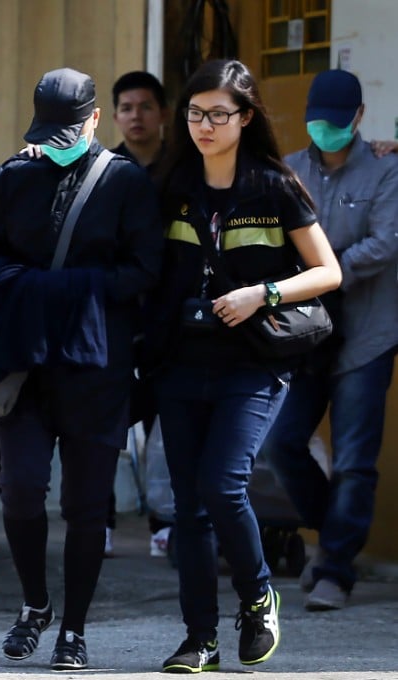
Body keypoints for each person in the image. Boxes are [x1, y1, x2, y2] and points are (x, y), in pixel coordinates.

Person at [143, 59, 341, 673]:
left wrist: (267, 293)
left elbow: (328, 271)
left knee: (222, 485)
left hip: (252, 365)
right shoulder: (171, 182)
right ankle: (199, 639)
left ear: (245, 118)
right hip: (180, 363)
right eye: (196, 113)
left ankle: (258, 593)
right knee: (187, 506)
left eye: (219, 114)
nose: (204, 125)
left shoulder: (274, 186)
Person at [0, 68, 163, 670]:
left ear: (94, 121)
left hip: (98, 367)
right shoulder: (13, 177)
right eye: (48, 131)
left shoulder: (125, 184)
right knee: (22, 490)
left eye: (69, 130)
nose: (58, 140)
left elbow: (145, 271)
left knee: (86, 507)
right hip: (24, 365)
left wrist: (71, 290)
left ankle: (74, 629)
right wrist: (32, 290)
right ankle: (35, 605)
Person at [259, 69, 398, 612]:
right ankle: (334, 529)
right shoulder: (288, 171)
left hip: (367, 333)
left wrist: (322, 269)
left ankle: (334, 569)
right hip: (306, 335)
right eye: (318, 123)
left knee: (356, 459)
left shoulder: (386, 171)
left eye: (337, 124)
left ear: (359, 118)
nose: (327, 132)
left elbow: (385, 244)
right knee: (283, 442)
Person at [108, 70, 171, 557]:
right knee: (107, 418)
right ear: (114, 116)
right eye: (126, 108)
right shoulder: (105, 169)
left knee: (166, 422)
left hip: (170, 314)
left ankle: (164, 522)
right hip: (116, 313)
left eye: (145, 106)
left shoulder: (185, 167)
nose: (136, 116)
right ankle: (100, 516)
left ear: (162, 114)